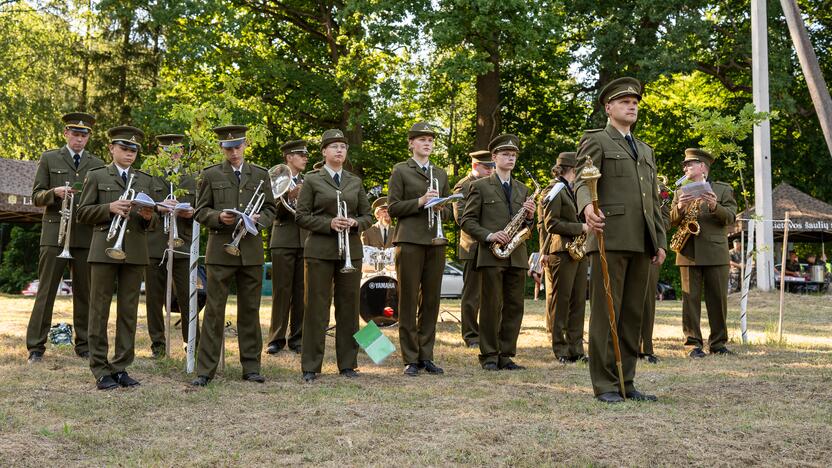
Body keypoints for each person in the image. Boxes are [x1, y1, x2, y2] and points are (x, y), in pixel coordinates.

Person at [574, 77, 666, 403]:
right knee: (605, 313)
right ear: (608, 107)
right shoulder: (597, 140)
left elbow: (651, 201)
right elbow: (582, 180)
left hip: (641, 241)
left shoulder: (645, 150)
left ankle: (627, 381)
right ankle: (605, 384)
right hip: (608, 237)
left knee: (632, 315)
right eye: (625, 101)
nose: (632, 105)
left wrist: (660, 240)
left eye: (636, 102)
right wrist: (586, 207)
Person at [191, 125, 276, 387]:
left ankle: (251, 367)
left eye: (238, 146)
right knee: (214, 312)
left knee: (250, 311)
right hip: (220, 251)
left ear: (245, 145)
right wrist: (219, 217)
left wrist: (260, 220)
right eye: (228, 148)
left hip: (249, 251)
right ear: (222, 149)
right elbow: (200, 211)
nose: (234, 151)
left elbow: (272, 209)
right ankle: (205, 370)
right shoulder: (210, 174)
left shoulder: (261, 174)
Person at [76, 126, 156, 390]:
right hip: (104, 249)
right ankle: (100, 368)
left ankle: (121, 366)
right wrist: (108, 208)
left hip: (134, 251)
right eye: (124, 148)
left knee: (128, 312)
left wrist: (148, 217)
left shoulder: (145, 179)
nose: (129, 154)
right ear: (112, 149)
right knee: (99, 310)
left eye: (133, 150)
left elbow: (152, 223)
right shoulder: (97, 176)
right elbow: (83, 213)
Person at [27, 112, 105, 363]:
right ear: (66, 134)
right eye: (75, 134)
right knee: (46, 291)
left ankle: (84, 345)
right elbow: (36, 196)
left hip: (84, 234)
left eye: (84, 136)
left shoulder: (97, 163)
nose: (79, 139)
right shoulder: (49, 158)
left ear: (89, 138)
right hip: (54, 234)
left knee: (85, 292)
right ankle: (36, 347)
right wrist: (54, 192)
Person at [295, 129, 371, 382]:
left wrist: (354, 222)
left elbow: (368, 215)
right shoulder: (313, 180)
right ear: (324, 152)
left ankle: (348, 364)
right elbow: (302, 216)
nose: (339, 150)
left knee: (349, 309)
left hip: (350, 250)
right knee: (316, 308)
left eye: (343, 147)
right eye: (334, 146)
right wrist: (328, 223)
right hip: (320, 251)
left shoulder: (354, 181)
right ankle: (310, 366)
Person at [461, 134, 535, 371]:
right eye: (505, 154)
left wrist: (531, 217)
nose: (510, 158)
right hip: (491, 254)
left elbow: (529, 227)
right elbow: (467, 220)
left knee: (514, 306)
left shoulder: (523, 189)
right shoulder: (479, 186)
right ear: (494, 158)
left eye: (513, 155)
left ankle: (506, 354)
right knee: (491, 305)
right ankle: (490, 355)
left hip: (517, 254)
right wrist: (489, 235)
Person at [387, 122, 451, 376]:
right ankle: (410, 357)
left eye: (430, 140)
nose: (427, 143)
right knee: (409, 298)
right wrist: (421, 202)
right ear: (411, 143)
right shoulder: (401, 170)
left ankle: (427, 355)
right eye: (422, 139)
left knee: (432, 300)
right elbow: (393, 208)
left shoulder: (441, 173)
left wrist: (440, 207)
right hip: (410, 240)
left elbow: (447, 212)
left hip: (435, 242)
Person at [670, 148, 737, 358]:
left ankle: (718, 344)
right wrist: (680, 207)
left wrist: (714, 205)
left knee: (718, 300)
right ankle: (692, 344)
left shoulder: (723, 190)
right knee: (690, 301)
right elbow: (670, 220)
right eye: (685, 164)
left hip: (715, 252)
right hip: (688, 251)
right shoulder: (680, 192)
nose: (685, 167)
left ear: (702, 167)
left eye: (690, 164)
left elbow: (731, 217)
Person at [144, 134, 197, 358]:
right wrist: (158, 208)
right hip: (155, 242)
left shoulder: (193, 178)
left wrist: (190, 212)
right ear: (159, 154)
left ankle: (192, 342)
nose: (172, 156)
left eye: (176, 151)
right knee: (154, 298)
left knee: (187, 295)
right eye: (166, 152)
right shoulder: (149, 178)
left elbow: (202, 208)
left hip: (183, 242)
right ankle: (158, 345)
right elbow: (141, 207)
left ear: (182, 153)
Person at [539, 152, 589, 364]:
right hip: (560, 251)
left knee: (578, 301)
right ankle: (560, 348)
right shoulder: (555, 190)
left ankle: (576, 348)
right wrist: (581, 227)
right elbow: (551, 224)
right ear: (572, 169)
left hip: (578, 250)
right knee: (561, 301)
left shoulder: (574, 190)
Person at [266, 139, 309, 355]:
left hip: (304, 240)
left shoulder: (307, 181)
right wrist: (287, 196)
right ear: (289, 157)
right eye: (300, 154)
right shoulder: (275, 180)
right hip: (283, 239)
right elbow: (269, 210)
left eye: (306, 154)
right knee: (281, 290)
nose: (305, 158)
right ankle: (276, 338)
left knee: (302, 291)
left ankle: (298, 337)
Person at [452, 150, 494, 348]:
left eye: (492, 167)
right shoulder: (464, 185)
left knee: (491, 293)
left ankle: (488, 333)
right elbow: (461, 218)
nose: (491, 171)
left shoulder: (491, 184)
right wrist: (487, 234)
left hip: (492, 246)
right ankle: (471, 335)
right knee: (472, 294)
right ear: (475, 166)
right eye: (487, 167)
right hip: (473, 247)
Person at [639, 176, 671, 364]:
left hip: (648, 247)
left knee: (647, 300)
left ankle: (645, 348)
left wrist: (653, 223)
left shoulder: (660, 189)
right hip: (623, 244)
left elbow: (666, 221)